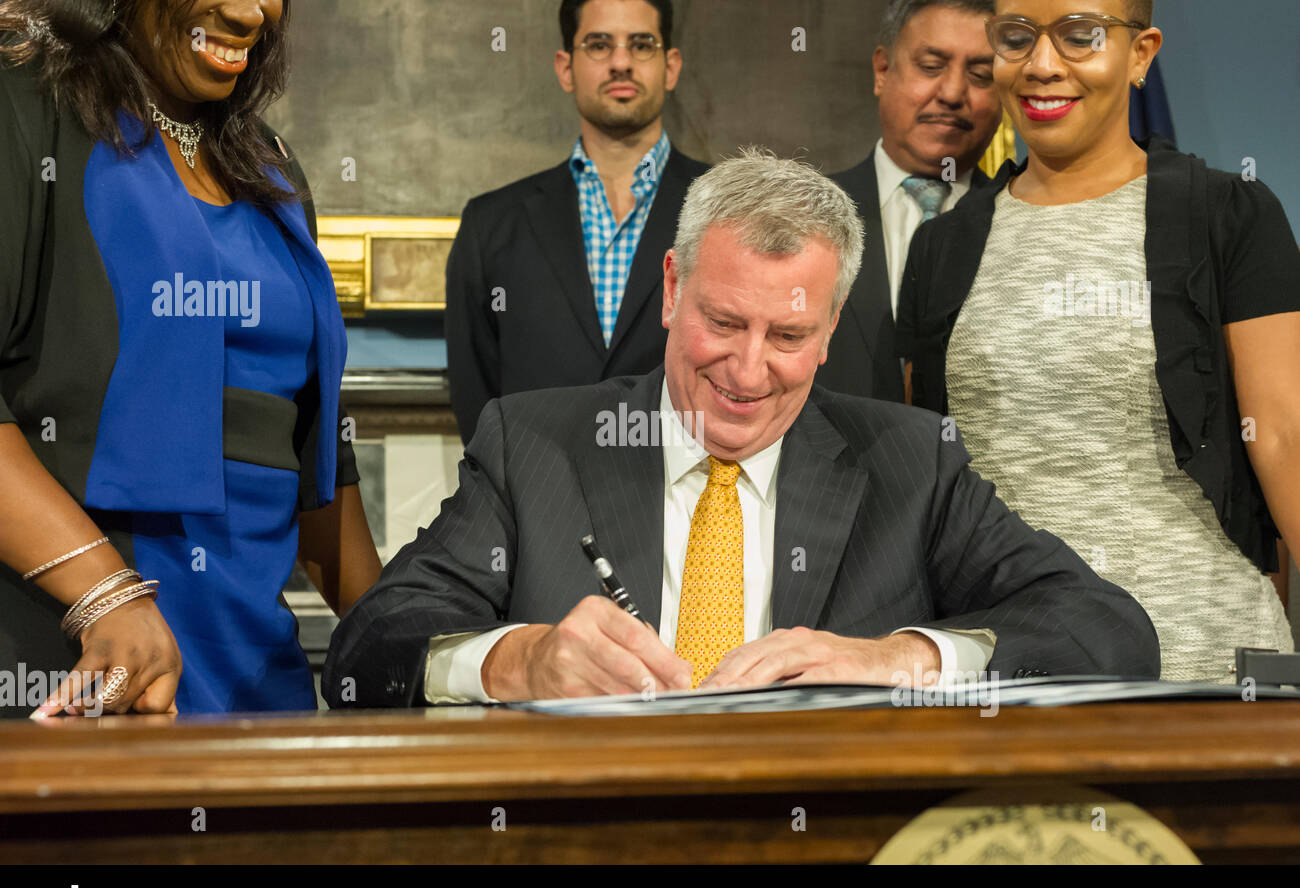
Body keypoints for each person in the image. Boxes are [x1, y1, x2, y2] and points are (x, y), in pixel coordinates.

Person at [324, 149, 1158, 708]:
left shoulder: (912, 464)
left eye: (789, 336)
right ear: (673, 285)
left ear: (831, 330)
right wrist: (517, 661)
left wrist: (902, 659)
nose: (749, 370)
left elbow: (1112, 631)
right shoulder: (533, 443)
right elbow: (368, 647)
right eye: (723, 321)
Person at [896, 0, 1300, 682]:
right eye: (1018, 37)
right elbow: (919, 479)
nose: (1043, 65)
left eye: (1080, 36)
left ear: (1141, 54)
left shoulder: (1229, 216)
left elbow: (1284, 436)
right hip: (1007, 669)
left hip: (1202, 663)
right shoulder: (942, 246)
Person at [0, 0, 381, 719]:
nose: (248, 12)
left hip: (260, 680)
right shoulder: (27, 102)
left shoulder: (270, 165)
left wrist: (406, 633)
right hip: (93, 667)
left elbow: (309, 454)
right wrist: (105, 590)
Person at [445, 0, 709, 444]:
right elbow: (479, 405)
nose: (621, 62)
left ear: (671, 66)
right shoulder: (490, 226)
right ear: (566, 68)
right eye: (599, 45)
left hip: (690, 500)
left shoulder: (728, 213)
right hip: (535, 503)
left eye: (642, 45)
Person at [819, 0, 1004, 403]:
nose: (953, 92)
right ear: (883, 71)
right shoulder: (803, 215)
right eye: (931, 66)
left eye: (980, 74)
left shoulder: (1020, 224)